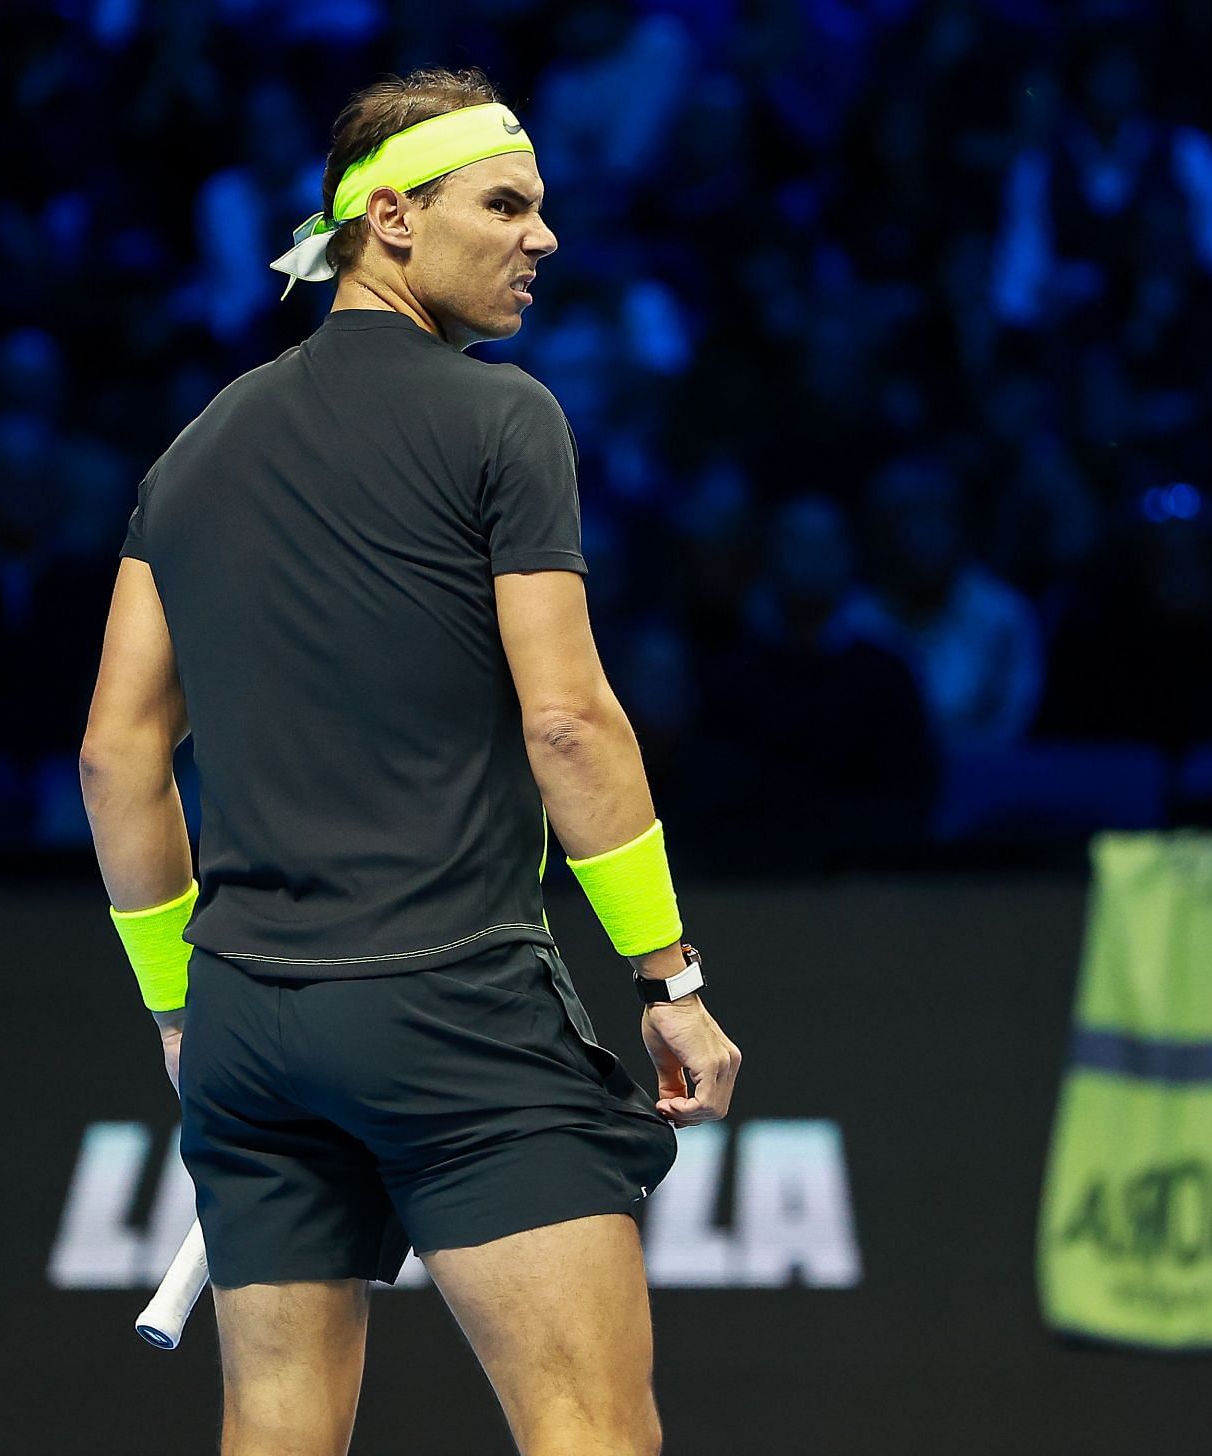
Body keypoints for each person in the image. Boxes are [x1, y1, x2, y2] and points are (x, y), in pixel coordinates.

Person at [78, 68, 740, 1456]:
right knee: (592, 1432)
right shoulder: (503, 420)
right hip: (452, 1010)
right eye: (505, 206)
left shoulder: (191, 458)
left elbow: (114, 756)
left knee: (278, 1437)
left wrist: (179, 1011)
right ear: (389, 221)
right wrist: (666, 976)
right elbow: (569, 723)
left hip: (251, 1034)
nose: (542, 237)